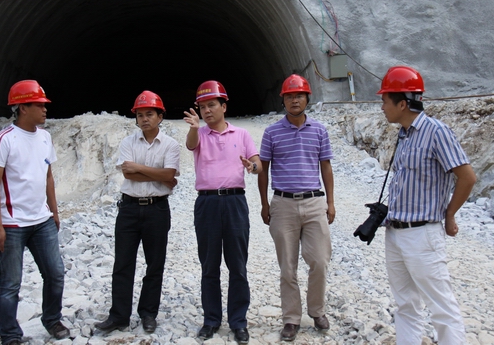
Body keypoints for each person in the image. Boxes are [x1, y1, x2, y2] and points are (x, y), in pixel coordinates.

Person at [378, 66, 476, 344]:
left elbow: (467, 177)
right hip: (395, 232)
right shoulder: (404, 134)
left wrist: (449, 214)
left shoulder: (437, 132)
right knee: (405, 304)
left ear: (402, 103)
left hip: (422, 234)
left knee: (441, 306)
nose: (382, 107)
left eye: (385, 101)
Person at [0, 80, 69, 345]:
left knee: (55, 273)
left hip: (42, 221)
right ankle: (10, 335)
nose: (45, 110)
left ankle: (52, 319)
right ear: (22, 108)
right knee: (11, 284)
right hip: (12, 225)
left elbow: (48, 177)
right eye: (39, 105)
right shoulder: (3, 140)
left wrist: (54, 212)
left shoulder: (45, 137)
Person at [257, 74, 335, 342]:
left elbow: (326, 166)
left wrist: (330, 202)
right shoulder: (271, 132)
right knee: (287, 267)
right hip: (283, 204)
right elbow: (263, 169)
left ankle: (317, 311)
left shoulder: (319, 130)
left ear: (307, 99)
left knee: (320, 261)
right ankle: (291, 318)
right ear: (283, 100)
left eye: (299, 95)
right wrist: (264, 203)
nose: (294, 100)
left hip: (314, 202)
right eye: (289, 96)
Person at [183, 80, 262, 345]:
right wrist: (194, 128)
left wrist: (252, 167)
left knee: (237, 265)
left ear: (224, 106)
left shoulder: (242, 134)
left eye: (212, 105)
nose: (207, 111)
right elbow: (191, 145)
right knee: (209, 265)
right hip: (207, 203)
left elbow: (258, 163)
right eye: (202, 107)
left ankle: (238, 322)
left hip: (235, 201)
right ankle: (211, 320)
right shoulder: (199, 134)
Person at [95, 91, 180, 334]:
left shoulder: (171, 145)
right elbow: (128, 174)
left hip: (157, 209)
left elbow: (169, 174)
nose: (144, 119)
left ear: (160, 117)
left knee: (155, 264)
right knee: (123, 264)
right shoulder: (128, 143)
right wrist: (160, 175)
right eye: (140, 115)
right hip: (129, 209)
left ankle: (148, 313)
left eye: (149, 114)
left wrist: (141, 169)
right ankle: (119, 316)